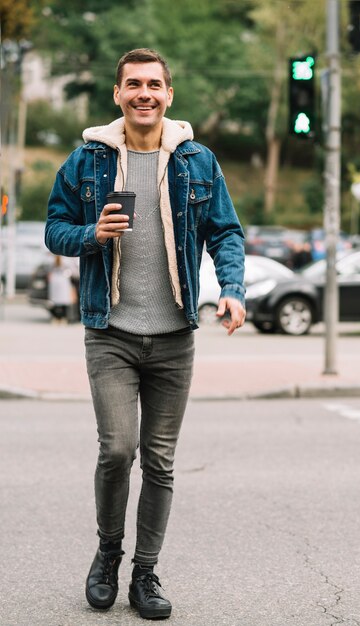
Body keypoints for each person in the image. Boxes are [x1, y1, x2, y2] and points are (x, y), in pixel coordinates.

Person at [45, 48, 246, 620]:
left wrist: (231, 288)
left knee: (159, 462)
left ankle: (145, 573)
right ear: (117, 94)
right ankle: (108, 554)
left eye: (154, 84)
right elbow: (54, 230)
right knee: (117, 450)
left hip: (174, 336)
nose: (144, 94)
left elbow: (225, 232)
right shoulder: (86, 161)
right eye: (133, 84)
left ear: (168, 95)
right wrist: (91, 233)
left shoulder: (197, 161)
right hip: (111, 332)